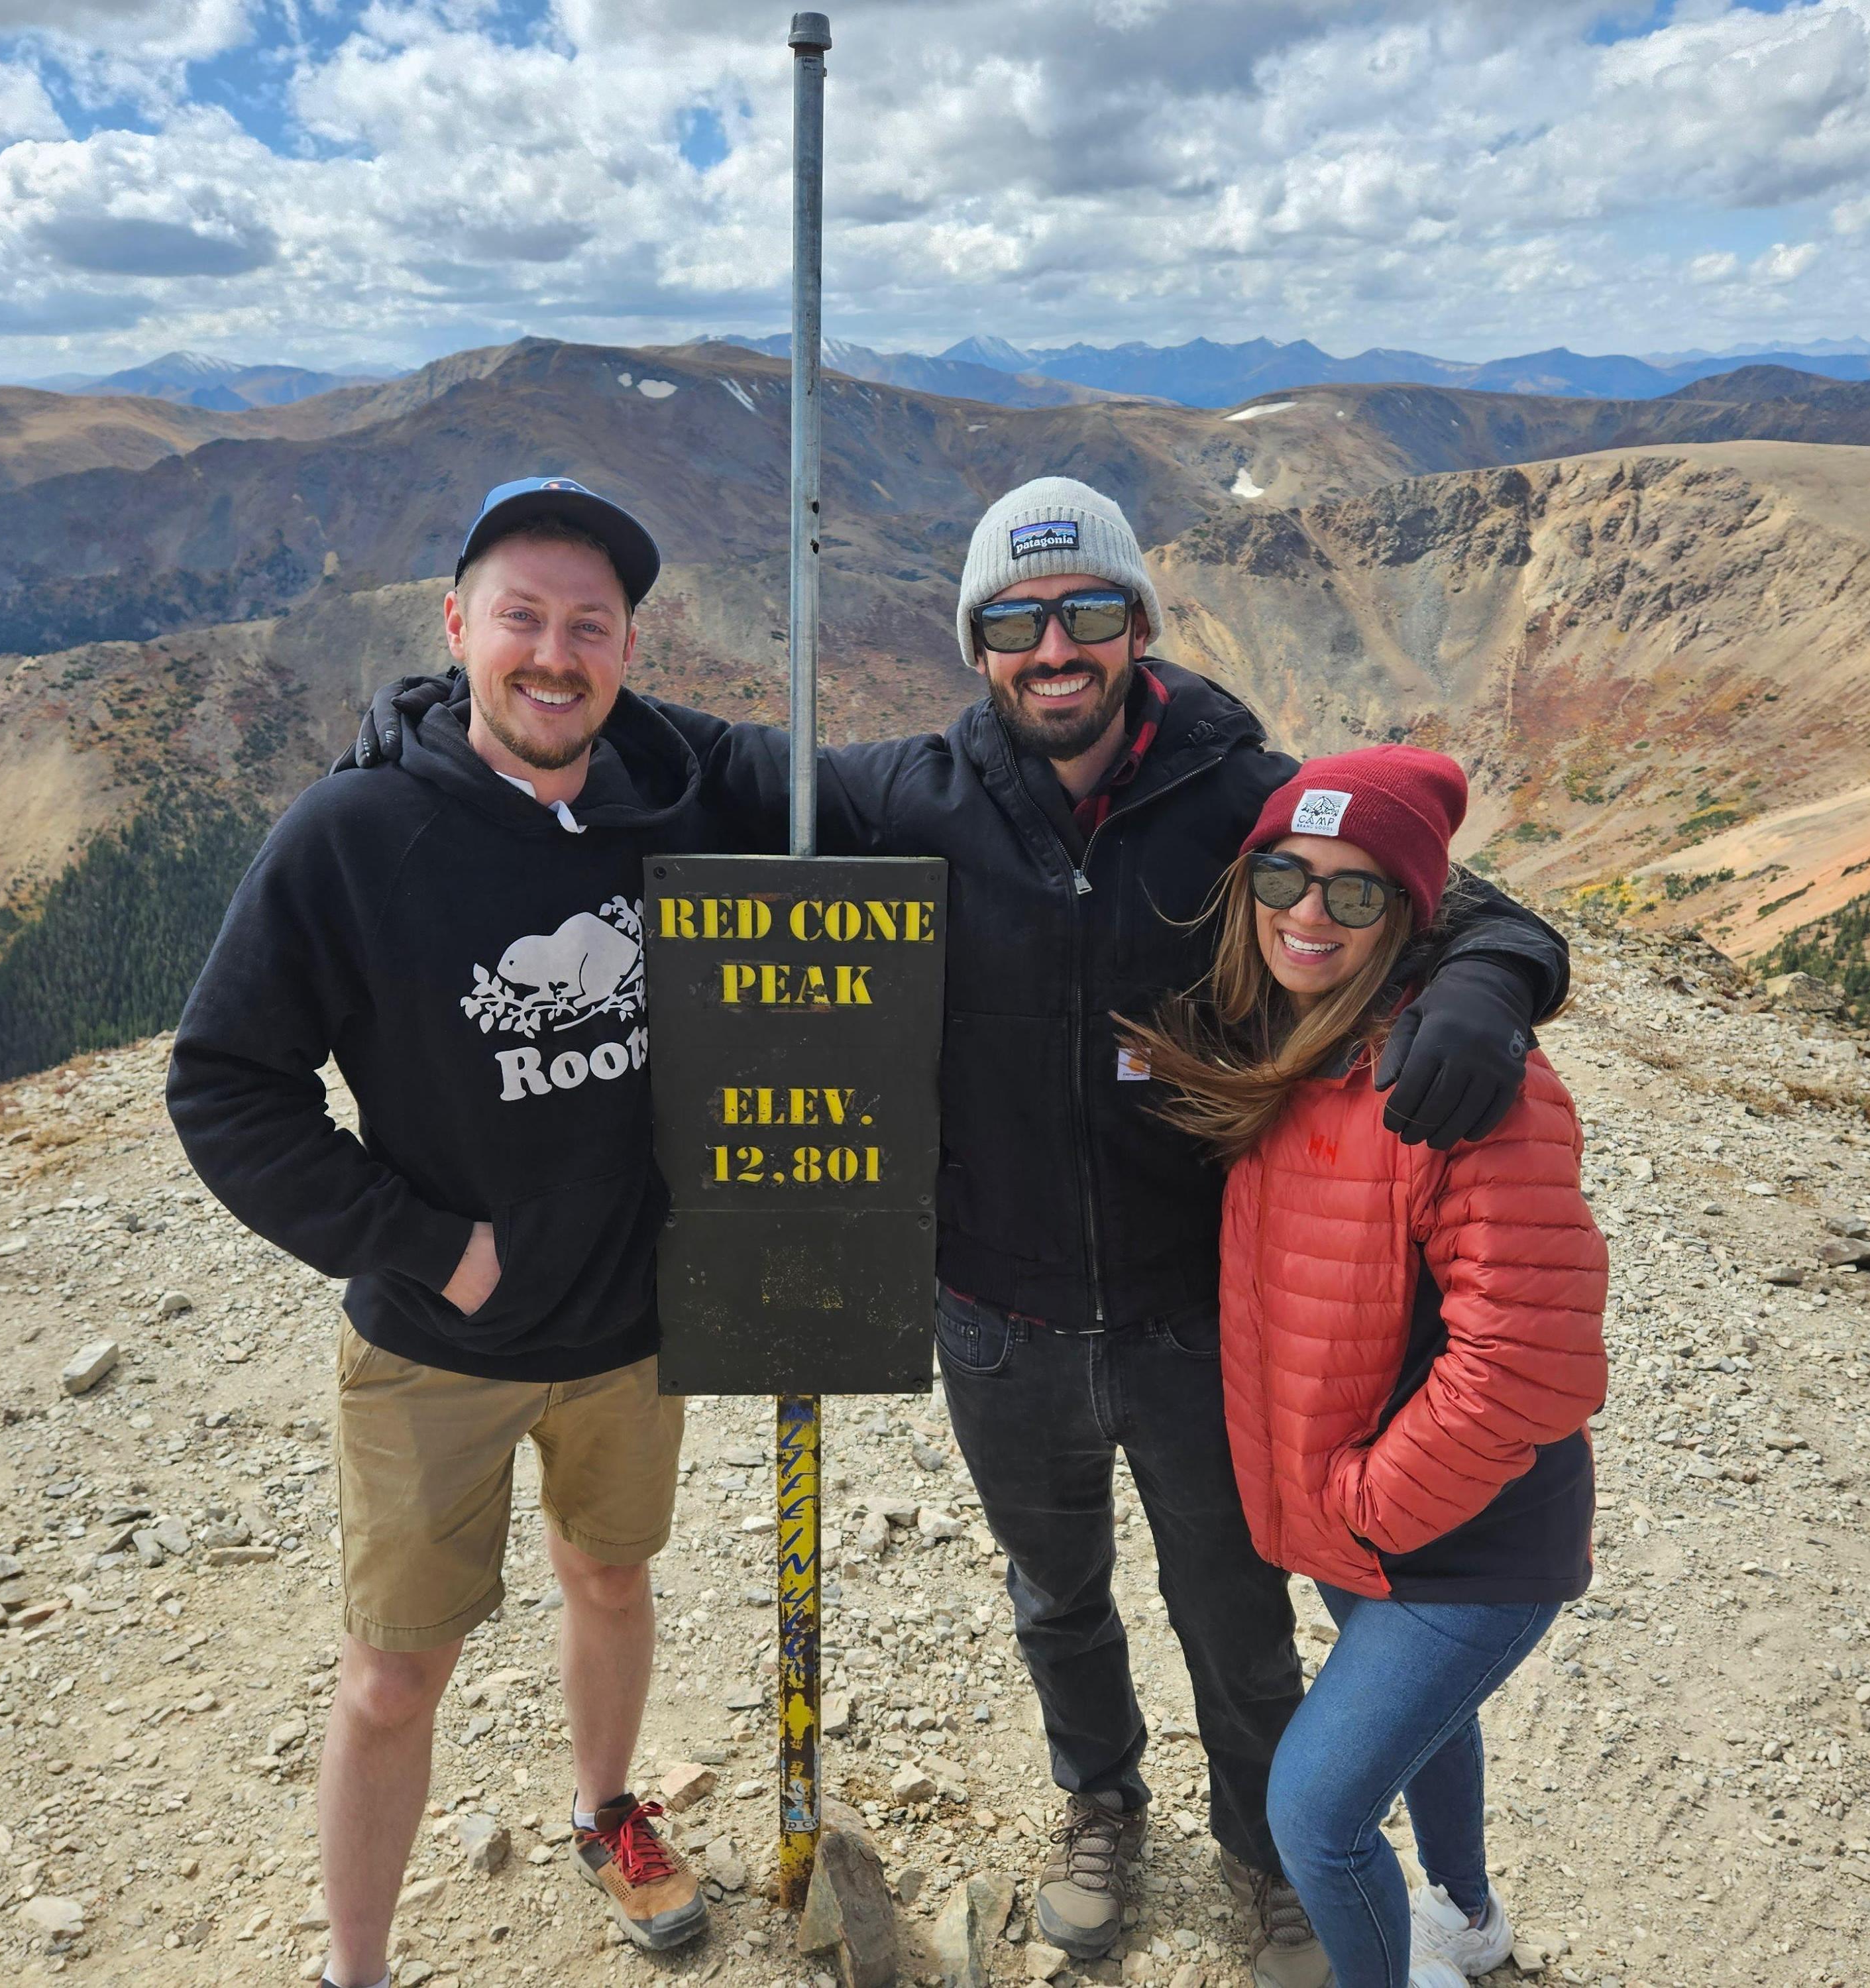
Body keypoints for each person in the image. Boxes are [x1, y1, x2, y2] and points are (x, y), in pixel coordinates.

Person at [350, 476, 1572, 1988]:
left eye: (1087, 613)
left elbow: (1426, 877)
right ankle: (1101, 1812)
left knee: (1231, 1605)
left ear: (1137, 623)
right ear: (976, 642)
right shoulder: (912, 792)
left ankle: (1262, 1853)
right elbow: (707, 757)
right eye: (1015, 620)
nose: (1053, 648)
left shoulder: (1237, 789)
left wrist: (1490, 981)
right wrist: (436, 720)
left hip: (1201, 1310)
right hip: (996, 1309)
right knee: (1055, 1595)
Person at [168, 478, 726, 1988]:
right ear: (457, 627)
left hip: (629, 1333)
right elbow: (225, 1084)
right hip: (436, 1347)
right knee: (395, 1672)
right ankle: (358, 1966)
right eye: (523, 618)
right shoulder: (353, 835)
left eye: (590, 627)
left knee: (610, 1581)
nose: (555, 655)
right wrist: (417, 1242)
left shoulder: (676, 795)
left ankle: (608, 1815)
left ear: (627, 647)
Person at [1125, 745, 1610, 1988]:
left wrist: (1357, 1502)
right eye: (1284, 874)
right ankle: (1466, 1918)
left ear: (1413, 913)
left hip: (1460, 1538)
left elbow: (1532, 1361)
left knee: (1316, 1817)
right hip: (1379, 1516)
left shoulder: (1460, 1078)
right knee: (1428, 1736)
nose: (1306, 911)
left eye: (1354, 891)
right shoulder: (1292, 1041)